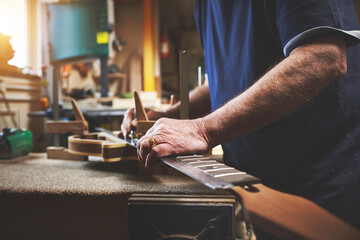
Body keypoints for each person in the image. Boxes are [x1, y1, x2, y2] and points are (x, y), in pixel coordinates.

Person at [121, 0, 360, 236]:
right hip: (258, 188)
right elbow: (222, 80)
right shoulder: (205, 4)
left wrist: (203, 129)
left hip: (326, 191)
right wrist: (169, 116)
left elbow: (323, 56)